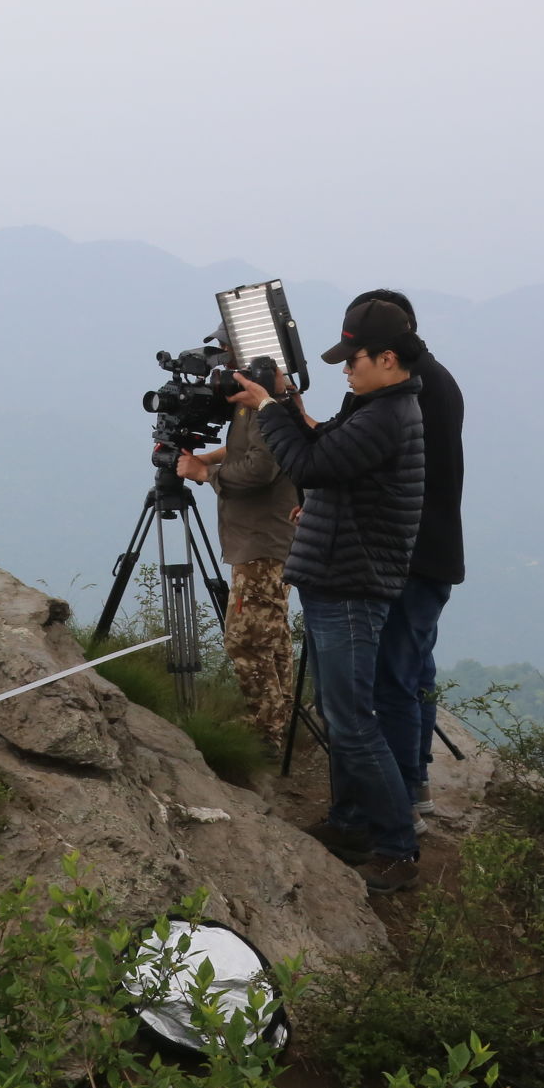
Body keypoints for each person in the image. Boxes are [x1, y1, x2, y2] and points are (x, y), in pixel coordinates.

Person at [237, 295, 427, 894]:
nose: (346, 368)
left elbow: (308, 463)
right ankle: (348, 823)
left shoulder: (387, 418)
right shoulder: (371, 408)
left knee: (352, 721)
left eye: (354, 358)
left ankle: (398, 848)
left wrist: (267, 406)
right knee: (339, 714)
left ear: (388, 358)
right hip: (332, 579)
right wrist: (289, 401)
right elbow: (323, 449)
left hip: (350, 587)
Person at [347, 289, 464, 813]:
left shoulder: (414, 391)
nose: (350, 369)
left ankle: (402, 792)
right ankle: (414, 779)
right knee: (415, 667)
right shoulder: (436, 382)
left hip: (410, 554)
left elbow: (352, 456)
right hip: (430, 551)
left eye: (356, 357)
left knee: (395, 675)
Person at [173, 371, 300, 747]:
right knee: (270, 635)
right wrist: (210, 457)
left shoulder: (268, 407)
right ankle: (280, 719)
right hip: (263, 540)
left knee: (245, 640)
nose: (221, 371)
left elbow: (260, 468)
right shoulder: (254, 405)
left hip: (262, 543)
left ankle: (264, 734)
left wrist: (205, 472)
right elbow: (247, 448)